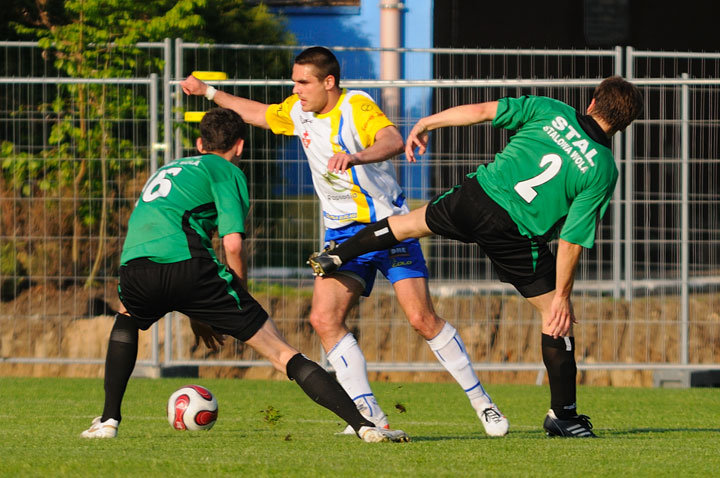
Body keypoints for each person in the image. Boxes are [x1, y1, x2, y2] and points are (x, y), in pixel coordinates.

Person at [180, 47, 509, 437]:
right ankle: (369, 416)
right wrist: (208, 92)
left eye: (303, 82)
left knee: (422, 319)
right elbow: (260, 115)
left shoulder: (357, 106)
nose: (296, 89)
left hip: (389, 227)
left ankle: (483, 404)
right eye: (294, 82)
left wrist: (356, 158)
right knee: (324, 319)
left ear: (328, 82)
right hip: (341, 233)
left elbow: (390, 140)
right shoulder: (299, 110)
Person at [308, 76, 644, 438]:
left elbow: (482, 111)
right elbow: (572, 241)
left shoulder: (551, 110)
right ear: (625, 124)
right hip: (515, 235)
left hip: (477, 197)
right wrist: (561, 298)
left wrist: (426, 122)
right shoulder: (603, 168)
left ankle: (338, 256)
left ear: (593, 101)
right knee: (555, 317)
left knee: (408, 224)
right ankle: (564, 415)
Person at [80, 108, 408, 443]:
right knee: (283, 354)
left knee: (128, 319)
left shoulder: (168, 169)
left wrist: (200, 310)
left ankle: (108, 420)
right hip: (188, 265)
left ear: (198, 143)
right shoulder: (224, 170)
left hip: (134, 266)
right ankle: (364, 426)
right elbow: (232, 245)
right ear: (240, 146)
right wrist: (238, 298)